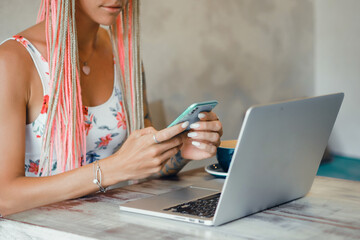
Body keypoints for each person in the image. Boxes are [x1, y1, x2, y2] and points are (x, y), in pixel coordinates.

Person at [0, 0, 222, 216]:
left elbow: (142, 164)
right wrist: (112, 170)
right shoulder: (11, 61)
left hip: (103, 224)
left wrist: (180, 149)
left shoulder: (123, 55)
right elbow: (4, 198)